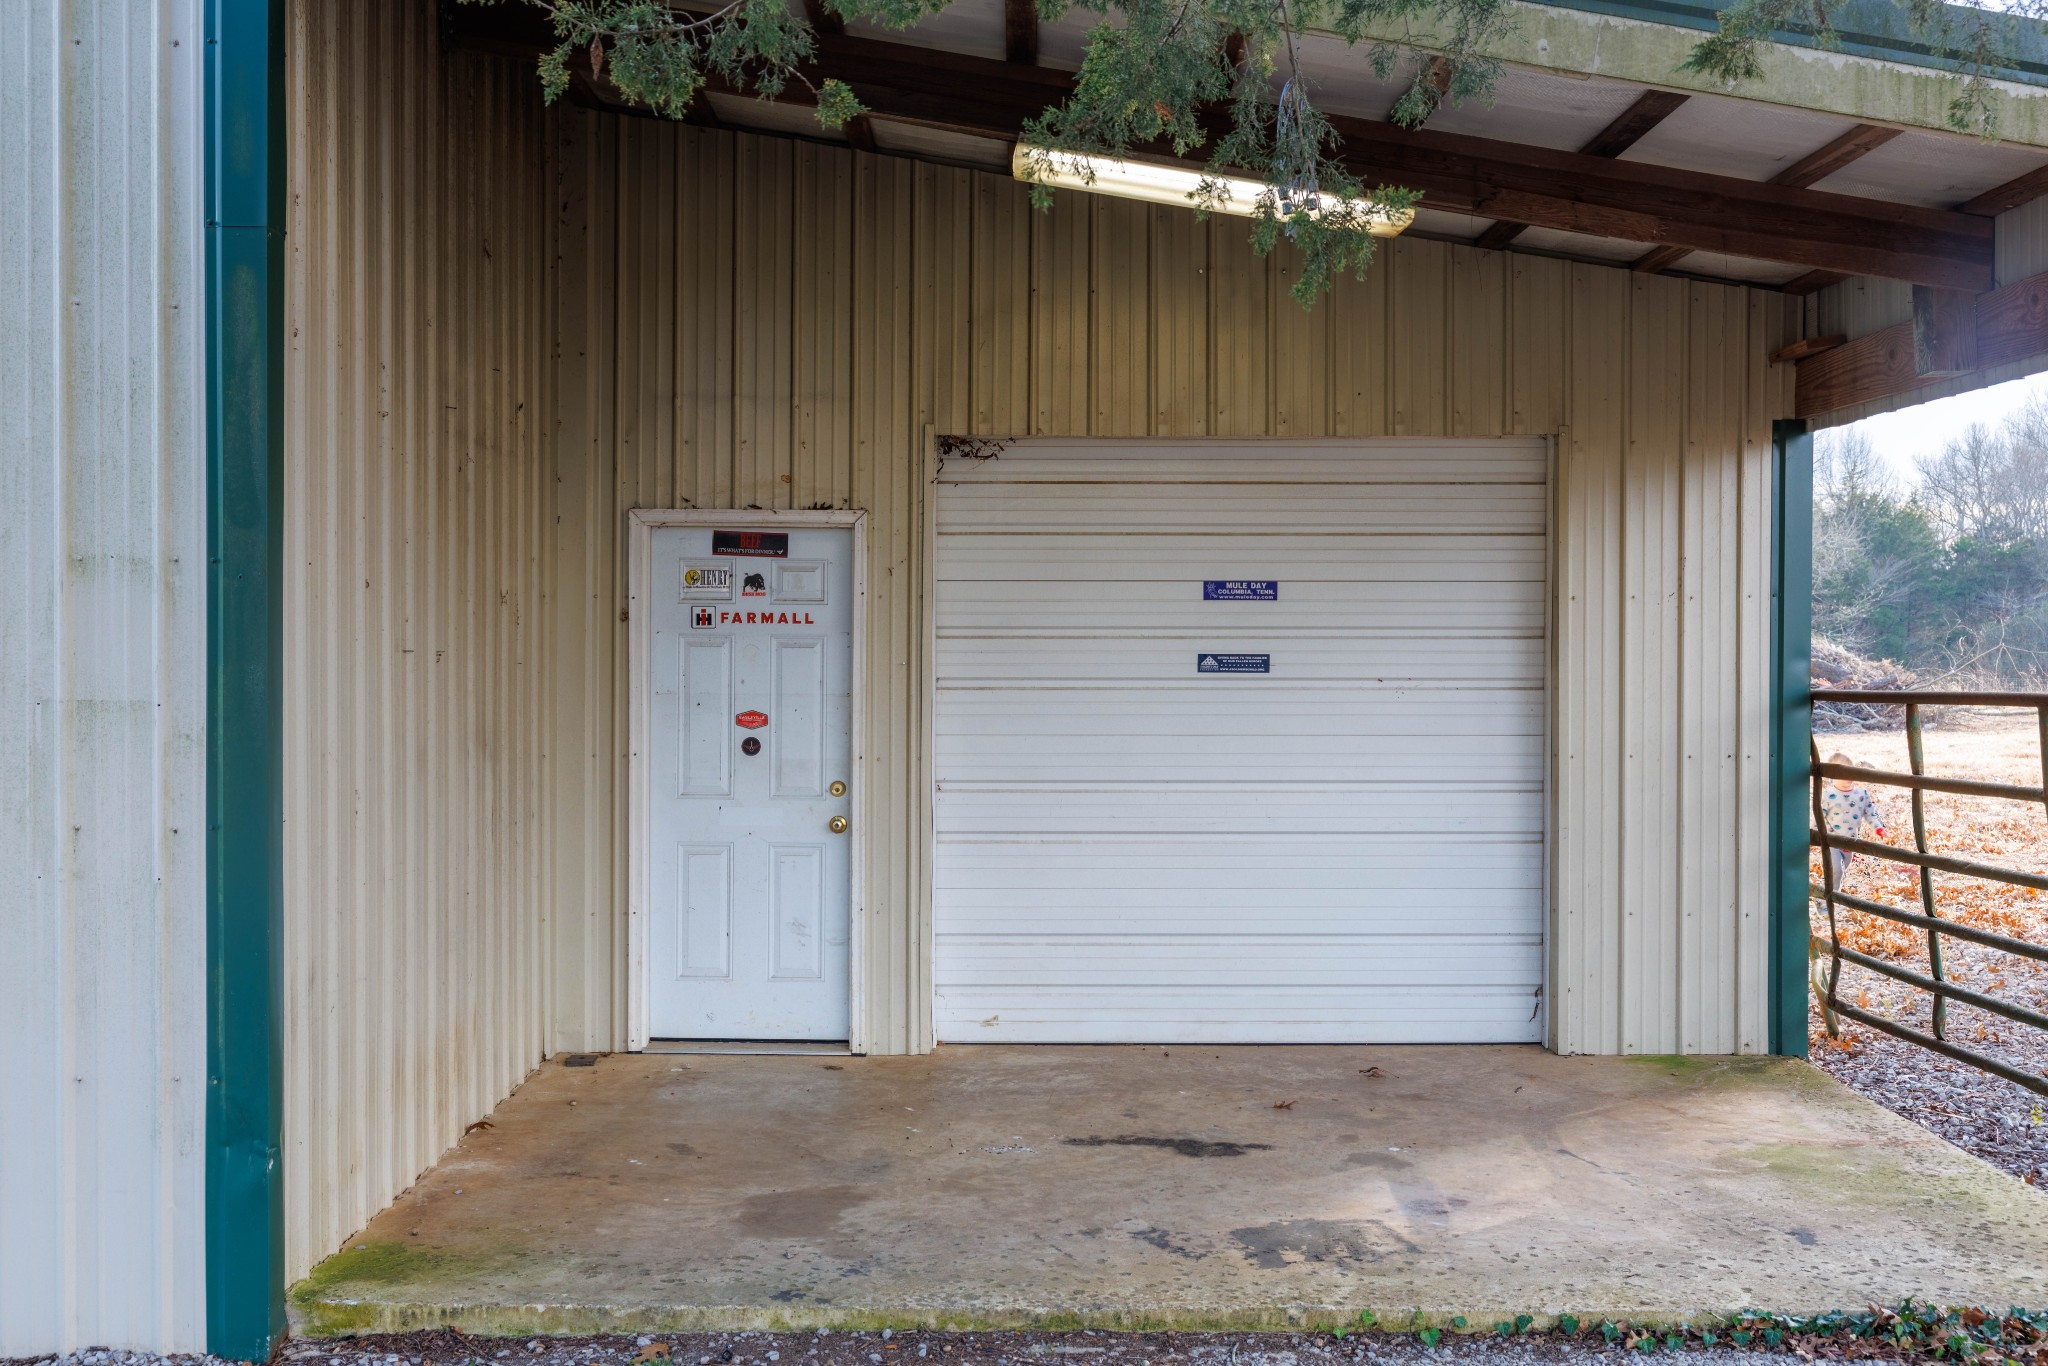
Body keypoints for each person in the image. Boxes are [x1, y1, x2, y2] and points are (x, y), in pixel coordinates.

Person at [1819, 752, 1888, 887]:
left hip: (1851, 840)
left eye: (1849, 771)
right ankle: (1830, 899)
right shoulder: (1828, 794)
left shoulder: (1861, 794)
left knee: (1840, 872)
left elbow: (1869, 813)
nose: (1847, 777)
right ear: (1832, 776)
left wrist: (1878, 828)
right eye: (1841, 774)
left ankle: (1824, 894)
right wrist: (1812, 833)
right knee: (1836, 870)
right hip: (1831, 839)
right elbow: (1819, 814)